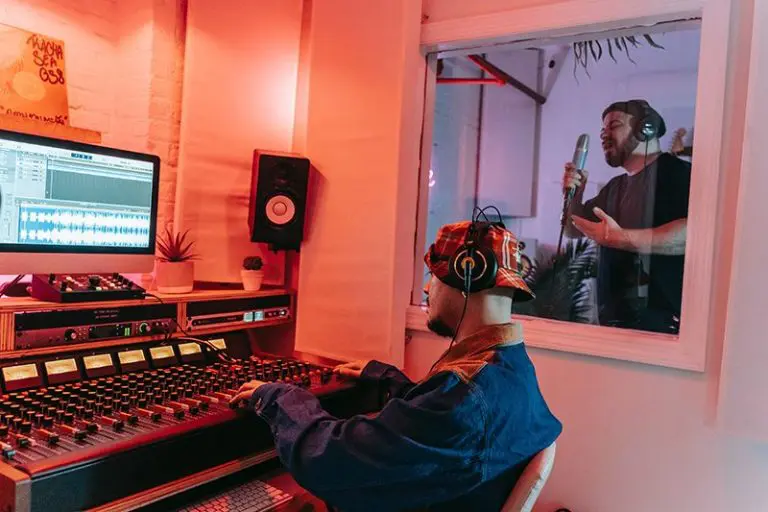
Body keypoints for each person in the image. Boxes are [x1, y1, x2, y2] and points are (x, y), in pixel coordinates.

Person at [230, 219, 562, 511]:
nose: (428, 288)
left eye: (433, 276)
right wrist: (388, 378)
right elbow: (442, 433)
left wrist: (279, 397)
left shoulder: (464, 397)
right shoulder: (509, 368)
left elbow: (328, 459)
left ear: (466, 276)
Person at [562, 99, 691, 334]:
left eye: (614, 126)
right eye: (602, 130)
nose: (604, 135)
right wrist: (575, 195)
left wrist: (618, 238)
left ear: (646, 128)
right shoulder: (615, 187)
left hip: (663, 325)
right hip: (615, 321)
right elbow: (573, 230)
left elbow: (693, 234)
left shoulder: (677, 173)